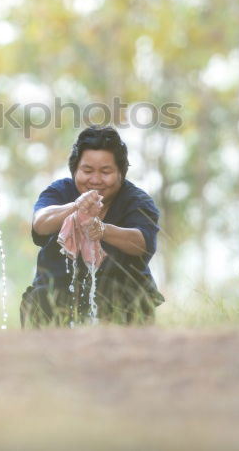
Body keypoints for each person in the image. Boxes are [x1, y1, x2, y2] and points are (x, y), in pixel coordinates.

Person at [21, 126, 164, 326]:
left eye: (106, 172)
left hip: (123, 308)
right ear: (75, 170)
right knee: (39, 300)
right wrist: (74, 207)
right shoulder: (59, 191)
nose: (95, 180)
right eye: (87, 171)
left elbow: (142, 242)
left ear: (121, 173)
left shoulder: (138, 201)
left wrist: (104, 230)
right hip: (54, 304)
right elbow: (40, 224)